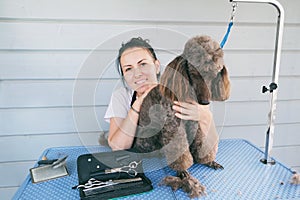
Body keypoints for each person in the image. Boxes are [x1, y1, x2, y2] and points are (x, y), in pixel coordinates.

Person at [104, 37, 214, 151]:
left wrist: (205, 116)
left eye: (143, 64)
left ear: (156, 66)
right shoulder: (122, 96)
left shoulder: (179, 90)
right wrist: (138, 104)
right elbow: (117, 146)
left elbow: (210, 150)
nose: (137, 74)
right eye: (128, 69)